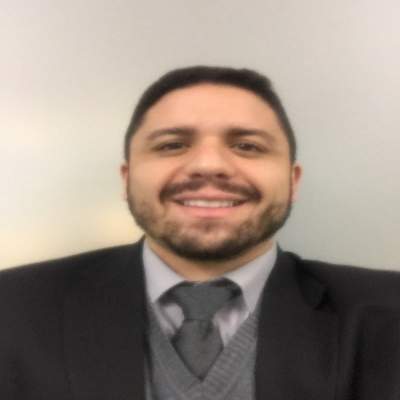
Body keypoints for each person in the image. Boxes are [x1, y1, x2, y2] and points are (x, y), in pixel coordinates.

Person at [1, 66, 400, 400]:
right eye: (172, 145)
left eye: (247, 146)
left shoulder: (389, 311)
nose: (209, 165)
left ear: (292, 182)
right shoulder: (12, 309)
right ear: (127, 179)